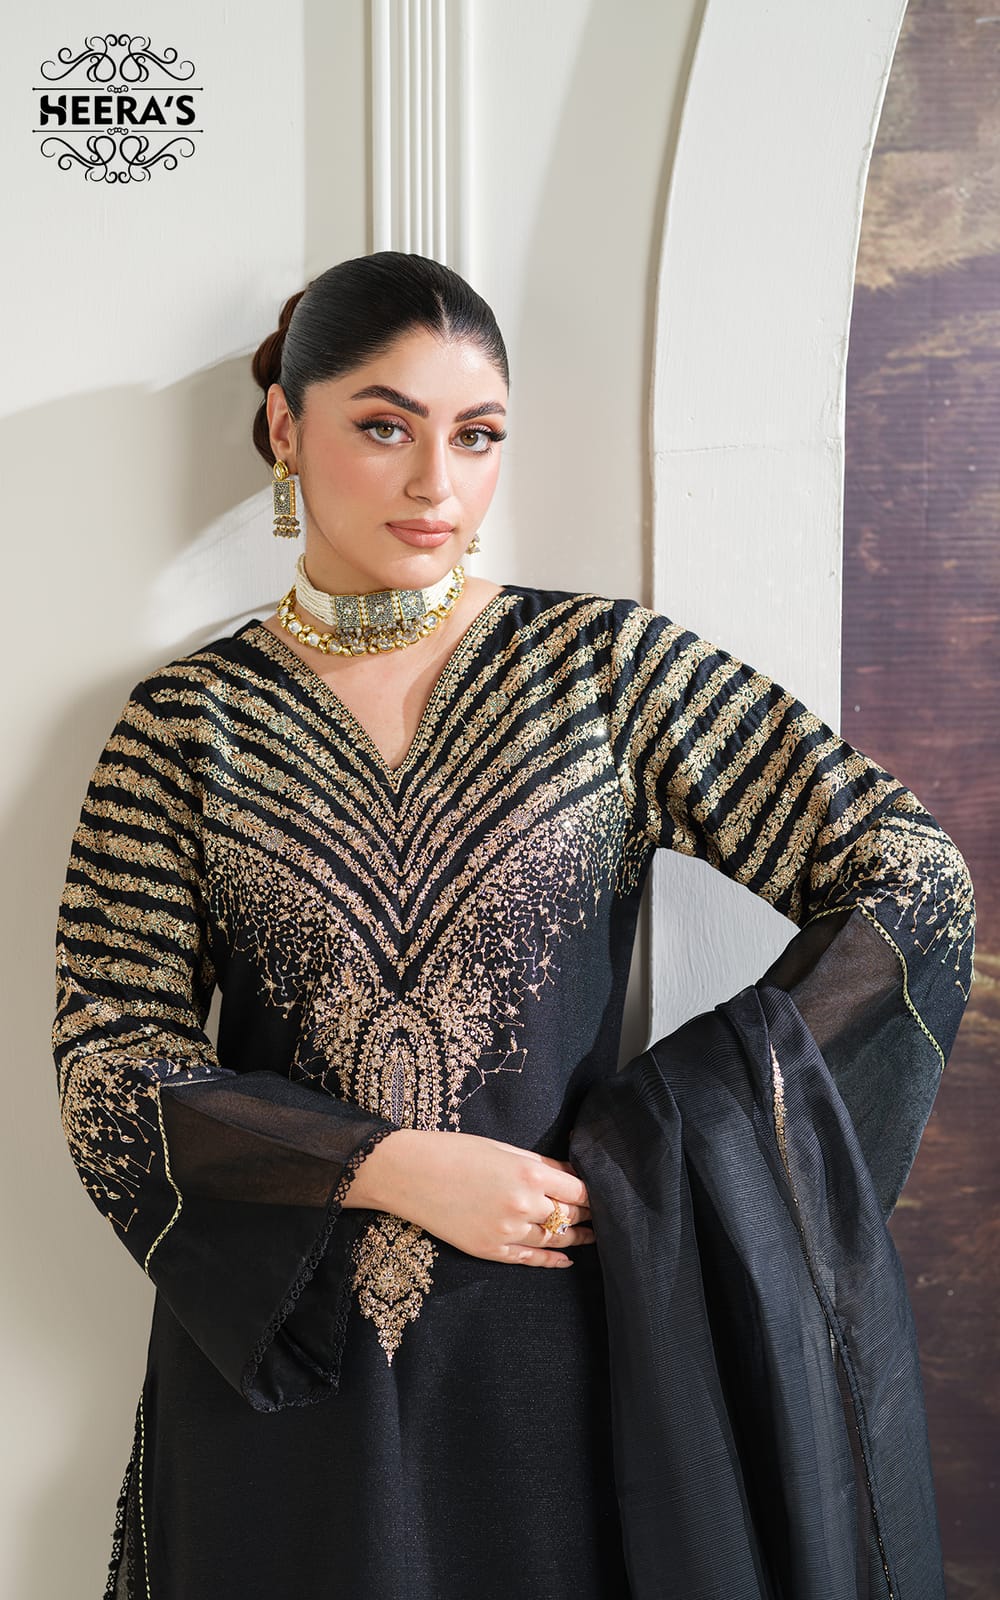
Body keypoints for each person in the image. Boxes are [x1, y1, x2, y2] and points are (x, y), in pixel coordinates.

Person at [53, 251, 974, 1600]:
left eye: (476, 436)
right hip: (282, 1358)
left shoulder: (609, 673)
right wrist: (385, 1166)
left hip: (568, 1353)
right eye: (386, 427)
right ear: (285, 428)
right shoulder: (185, 727)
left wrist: (663, 1145)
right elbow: (109, 1065)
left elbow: (913, 880)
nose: (437, 482)